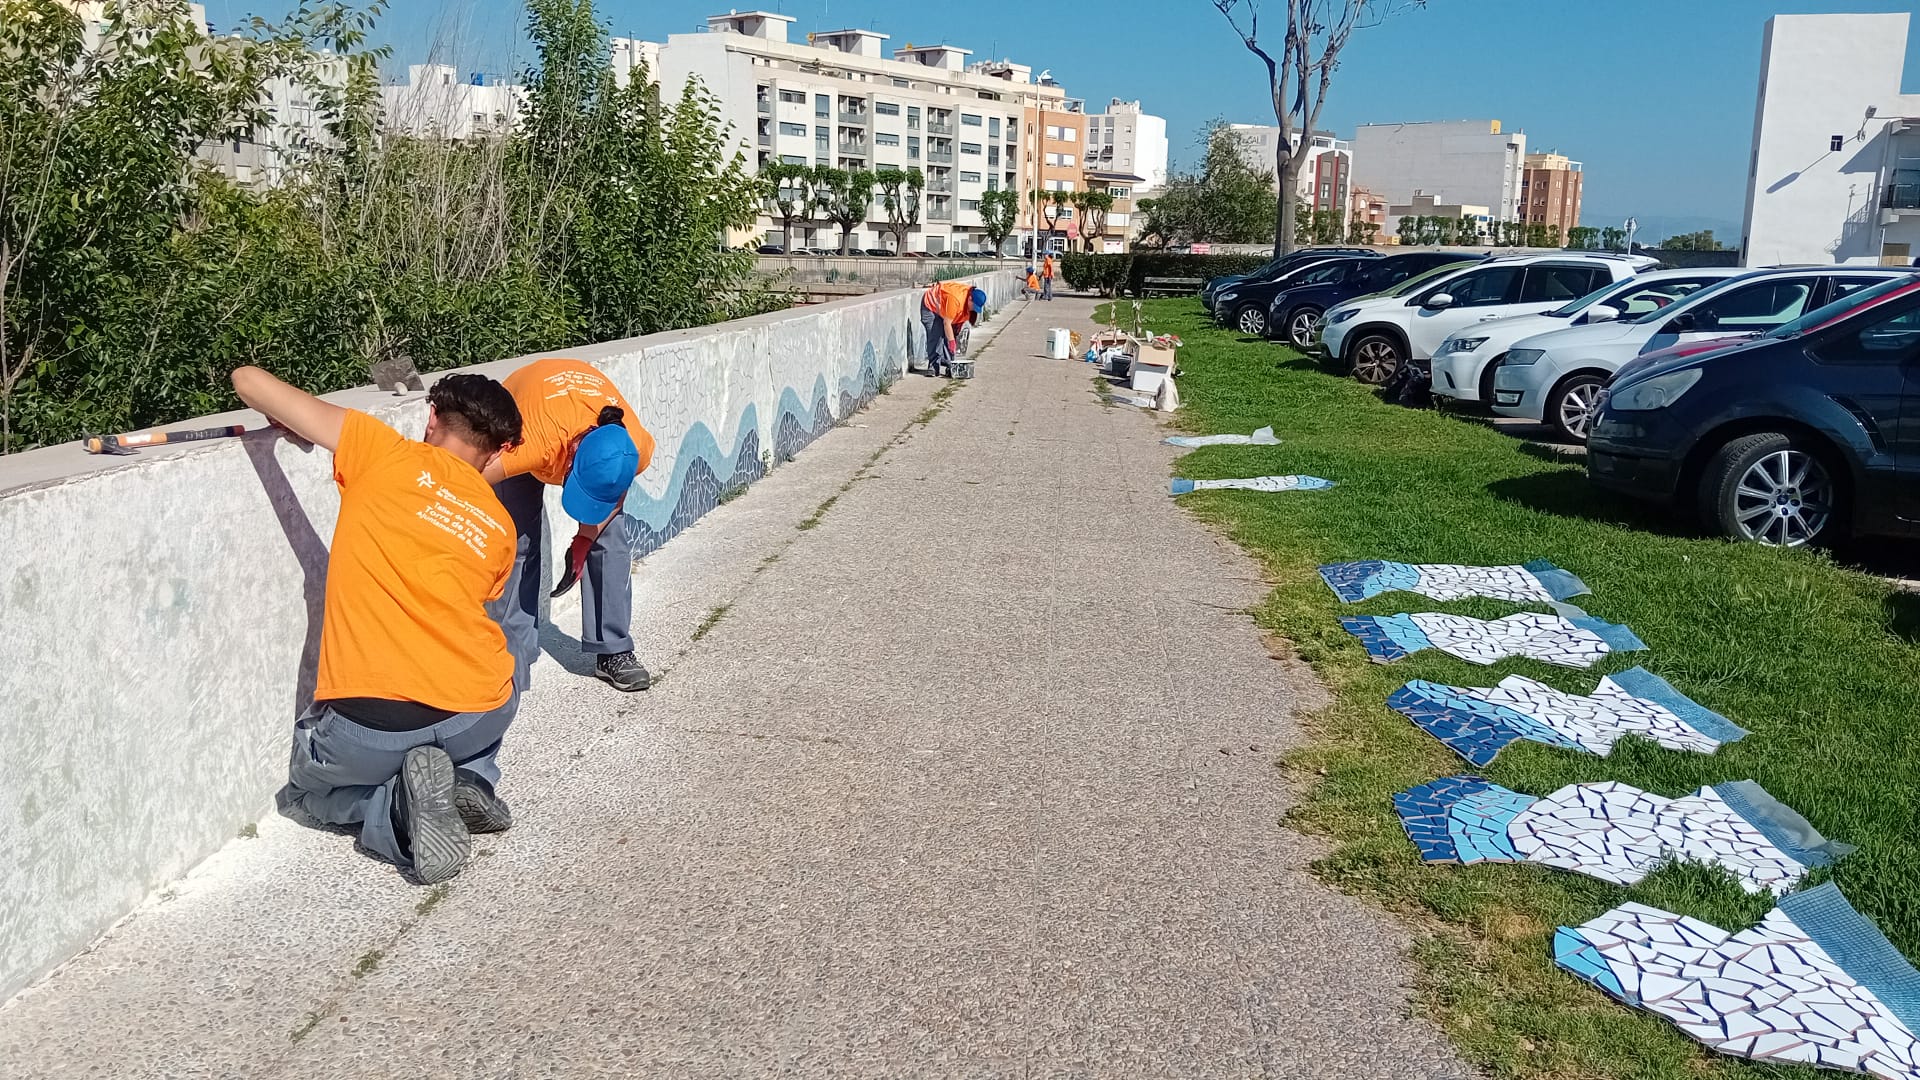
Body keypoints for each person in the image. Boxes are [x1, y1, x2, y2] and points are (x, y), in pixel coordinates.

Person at [232, 366, 524, 885]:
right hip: (473, 714)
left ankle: (393, 812)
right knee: (502, 665)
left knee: (307, 790)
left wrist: (293, 420)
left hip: (367, 731)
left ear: (431, 417)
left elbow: (247, 380)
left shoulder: (376, 447)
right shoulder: (499, 524)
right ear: (498, 451)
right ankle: (471, 778)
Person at [484, 358, 657, 693]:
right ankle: (511, 656)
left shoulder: (635, 445)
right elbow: (466, 478)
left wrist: (584, 538)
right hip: (522, 404)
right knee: (516, 542)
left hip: (569, 411)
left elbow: (613, 492)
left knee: (611, 539)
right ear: (571, 455)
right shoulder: (529, 443)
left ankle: (613, 651)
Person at [921, 282, 987, 377]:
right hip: (930, 305)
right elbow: (946, 323)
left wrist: (953, 338)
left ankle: (950, 365)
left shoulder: (967, 306)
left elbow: (954, 326)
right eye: (974, 306)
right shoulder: (956, 299)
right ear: (970, 299)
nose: (974, 309)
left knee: (948, 337)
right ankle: (933, 366)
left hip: (943, 309)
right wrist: (952, 342)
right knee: (935, 335)